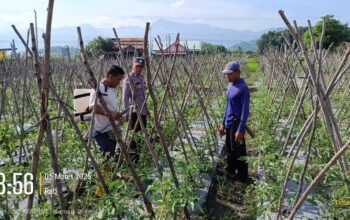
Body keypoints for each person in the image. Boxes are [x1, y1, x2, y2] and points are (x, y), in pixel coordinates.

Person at [218, 61, 250, 182]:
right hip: (229, 123)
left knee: (239, 151)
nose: (227, 76)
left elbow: (245, 111)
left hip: (237, 124)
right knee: (230, 149)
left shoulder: (243, 88)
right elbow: (228, 106)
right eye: (226, 74)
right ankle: (230, 172)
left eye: (229, 74)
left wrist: (241, 130)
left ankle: (242, 178)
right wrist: (223, 123)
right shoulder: (231, 85)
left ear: (238, 73)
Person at [89, 65, 125, 161]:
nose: (119, 82)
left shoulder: (111, 89)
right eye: (118, 79)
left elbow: (110, 107)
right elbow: (92, 107)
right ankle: (104, 175)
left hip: (111, 129)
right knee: (105, 158)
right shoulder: (98, 88)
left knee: (110, 156)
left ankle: (108, 175)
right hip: (102, 131)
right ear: (110, 77)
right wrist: (111, 114)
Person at [122, 57, 150, 163]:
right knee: (134, 135)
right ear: (133, 66)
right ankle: (132, 159)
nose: (139, 68)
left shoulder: (141, 78)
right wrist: (126, 113)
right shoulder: (129, 79)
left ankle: (137, 156)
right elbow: (125, 97)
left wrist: (147, 110)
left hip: (142, 111)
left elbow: (143, 96)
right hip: (133, 112)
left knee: (141, 134)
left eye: (141, 67)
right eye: (137, 66)